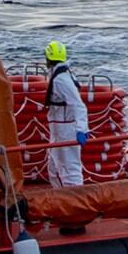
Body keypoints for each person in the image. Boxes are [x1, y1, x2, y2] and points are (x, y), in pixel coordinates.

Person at [37, 41, 90, 190]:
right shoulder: (60, 75)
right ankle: (61, 198)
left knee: (70, 169)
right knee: (54, 169)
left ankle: (76, 199)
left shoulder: (61, 80)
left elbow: (78, 104)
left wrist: (81, 129)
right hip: (58, 129)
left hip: (66, 130)